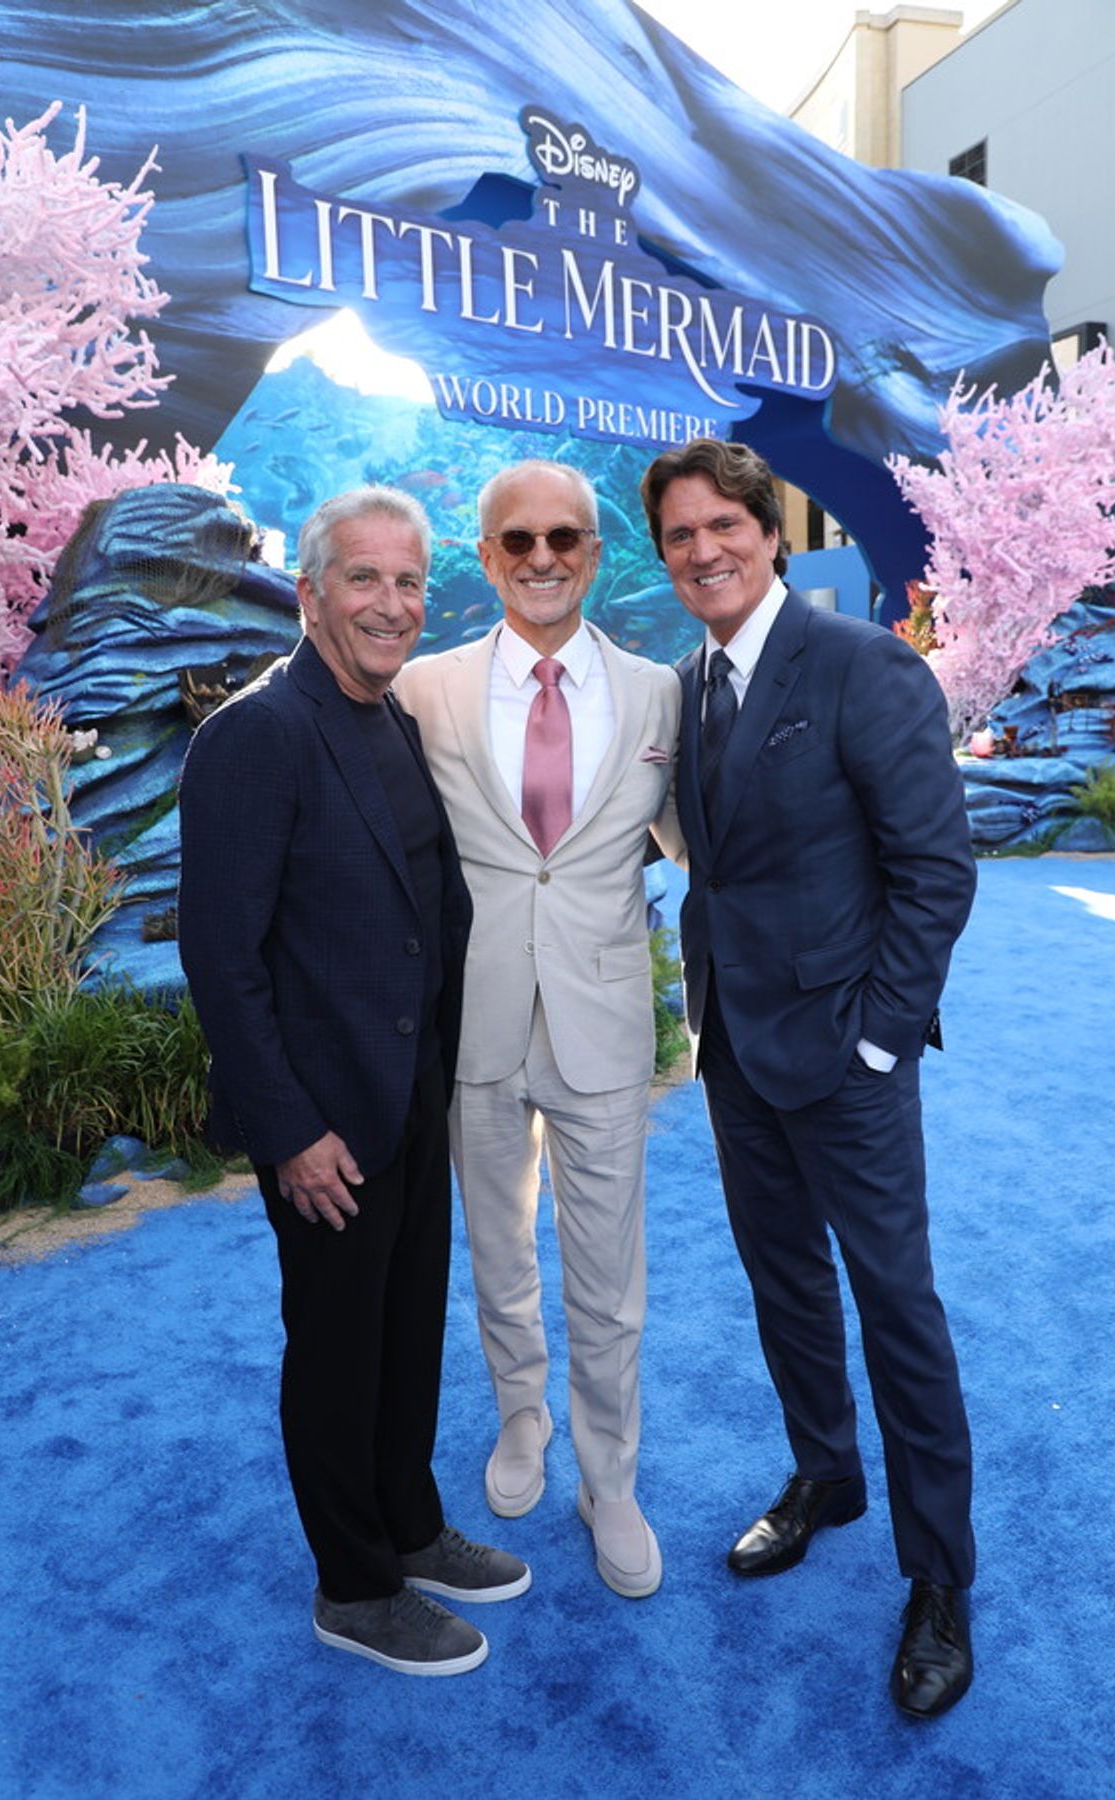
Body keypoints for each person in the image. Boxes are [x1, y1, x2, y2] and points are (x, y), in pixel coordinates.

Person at [639, 437, 978, 1719]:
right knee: (783, 1282)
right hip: (733, 1048)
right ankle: (824, 1476)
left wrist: (884, 1038)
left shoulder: (859, 664)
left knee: (897, 1307)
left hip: (847, 1056)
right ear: (664, 556)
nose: (706, 550)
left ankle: (940, 1577)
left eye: (725, 523)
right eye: (680, 535)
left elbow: (936, 871)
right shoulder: (686, 688)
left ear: (768, 532)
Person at [177, 485, 530, 1678]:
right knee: (335, 1350)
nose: (391, 604)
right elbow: (220, 959)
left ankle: (410, 1523)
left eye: (408, 582)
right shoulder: (255, 735)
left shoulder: (388, 720)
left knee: (403, 1335)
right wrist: (288, 1130)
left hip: (409, 1092)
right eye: (365, 580)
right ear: (310, 592)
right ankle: (355, 1583)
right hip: (323, 1122)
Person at [394, 458, 681, 1599]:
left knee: (609, 1277)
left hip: (605, 1023)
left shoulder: (660, 691)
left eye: (566, 537)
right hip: (475, 1022)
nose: (545, 558)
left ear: (596, 555)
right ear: (487, 556)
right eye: (519, 541)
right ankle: (523, 1417)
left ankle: (610, 1478)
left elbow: (715, 844)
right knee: (501, 1254)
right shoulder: (427, 691)